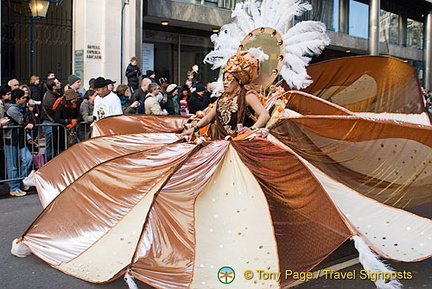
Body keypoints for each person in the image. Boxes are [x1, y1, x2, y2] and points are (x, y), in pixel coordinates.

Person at [182, 52, 270, 139]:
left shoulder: (247, 96)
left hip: (241, 141)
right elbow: (209, 118)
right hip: (223, 140)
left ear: (239, 80)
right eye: (224, 79)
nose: (225, 82)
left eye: (229, 79)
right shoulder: (222, 98)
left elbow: (265, 115)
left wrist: (251, 130)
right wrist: (194, 128)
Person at [4, 89, 36, 196]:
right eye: (23, 98)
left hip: (21, 138)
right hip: (11, 138)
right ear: (17, 99)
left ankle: (22, 181)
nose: (25, 99)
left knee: (28, 159)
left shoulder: (22, 107)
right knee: (12, 164)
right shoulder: (12, 109)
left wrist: (30, 118)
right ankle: (14, 187)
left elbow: (31, 119)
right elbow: (22, 120)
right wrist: (29, 117)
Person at [41, 78, 62, 161]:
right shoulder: (50, 97)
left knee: (55, 146)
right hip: (49, 123)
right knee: (50, 146)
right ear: (53, 87)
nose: (60, 83)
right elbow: (56, 110)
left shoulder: (56, 94)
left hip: (53, 123)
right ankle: (47, 163)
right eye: (57, 83)